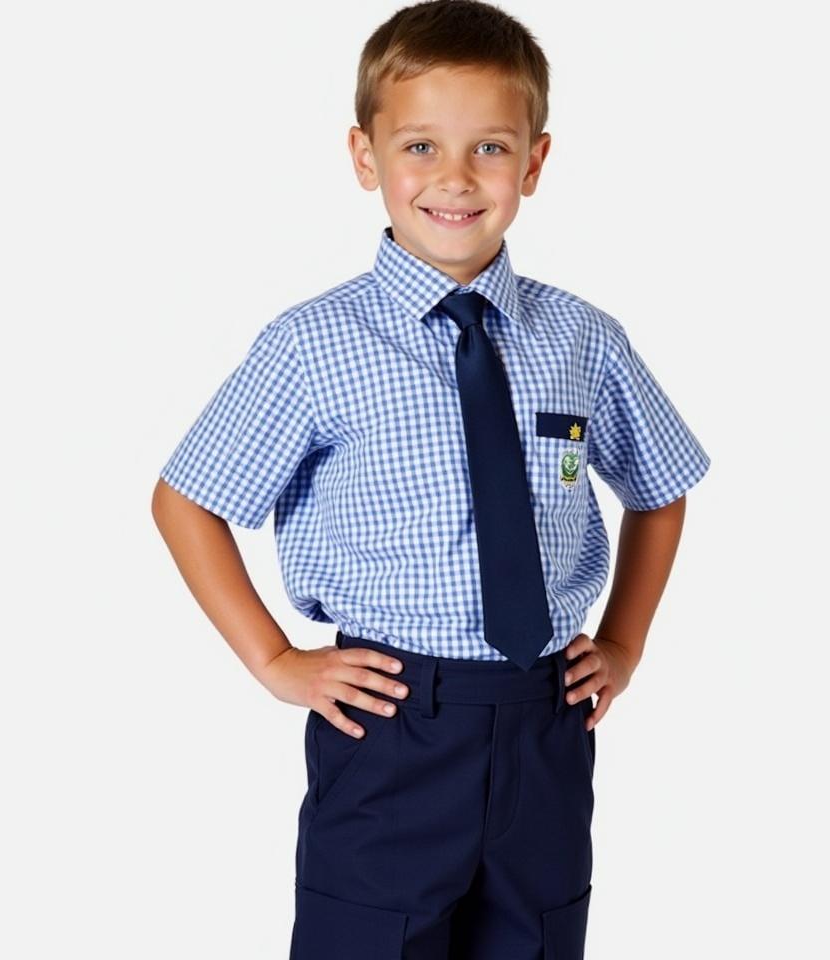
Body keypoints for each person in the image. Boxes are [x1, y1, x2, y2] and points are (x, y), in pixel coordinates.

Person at [152, 1, 711, 956]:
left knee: (533, 938)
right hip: (392, 725)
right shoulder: (313, 346)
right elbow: (187, 500)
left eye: (490, 148)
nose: (454, 178)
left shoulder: (582, 338)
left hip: (546, 720)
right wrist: (277, 661)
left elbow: (659, 487)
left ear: (534, 162)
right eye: (419, 146)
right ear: (365, 157)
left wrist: (623, 641)